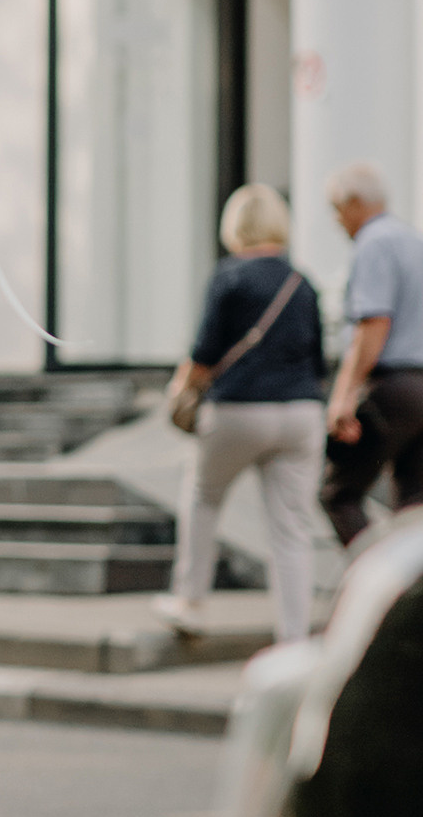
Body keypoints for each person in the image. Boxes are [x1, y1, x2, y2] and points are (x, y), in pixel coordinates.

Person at [154, 183, 324, 644]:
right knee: (292, 531)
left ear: (235, 226)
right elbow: (317, 357)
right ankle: (294, 639)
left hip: (239, 409)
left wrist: (181, 388)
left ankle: (189, 603)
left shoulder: (229, 276)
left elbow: (205, 352)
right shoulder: (302, 282)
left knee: (204, 497)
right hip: (301, 413)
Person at [321, 161, 423, 545]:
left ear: (354, 203)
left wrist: (344, 395)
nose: (335, 221)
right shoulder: (415, 241)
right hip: (421, 386)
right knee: (414, 506)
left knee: (338, 493)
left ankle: (382, 590)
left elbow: (373, 324)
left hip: (392, 386)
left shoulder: (374, 244)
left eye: (336, 209)